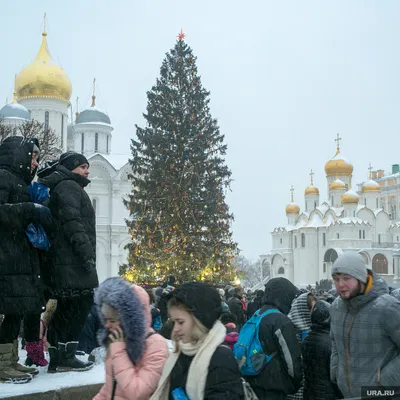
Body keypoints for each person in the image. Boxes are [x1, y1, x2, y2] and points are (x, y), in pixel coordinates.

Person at [0, 137, 55, 383]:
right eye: (32, 156)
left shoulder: (19, 182)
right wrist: (30, 209)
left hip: (18, 257)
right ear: (18, 155)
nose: (34, 163)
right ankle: (2, 365)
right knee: (11, 312)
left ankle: (10, 361)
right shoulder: (3, 176)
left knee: (16, 312)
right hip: (7, 258)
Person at [38, 151, 98, 373]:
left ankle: (60, 357)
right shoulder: (69, 187)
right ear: (71, 167)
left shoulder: (64, 186)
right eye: (82, 166)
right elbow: (73, 222)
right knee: (79, 305)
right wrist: (86, 253)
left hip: (65, 261)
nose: (87, 171)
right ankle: (65, 356)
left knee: (68, 307)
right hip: (72, 261)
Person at [151, 282, 244, 399]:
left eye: (180, 322)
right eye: (173, 322)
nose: (175, 330)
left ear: (199, 321)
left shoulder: (221, 359)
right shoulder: (182, 350)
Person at [330, 252, 400, 398]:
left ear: (361, 278)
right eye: (336, 279)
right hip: (349, 394)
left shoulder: (387, 307)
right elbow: (335, 342)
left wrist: (386, 380)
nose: (340, 284)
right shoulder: (336, 307)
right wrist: (336, 370)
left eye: (346, 278)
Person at [93, 278, 169, 400]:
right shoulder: (118, 340)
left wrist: (119, 351)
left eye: (112, 320)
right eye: (105, 319)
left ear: (130, 321)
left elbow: (136, 393)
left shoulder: (156, 345)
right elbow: (110, 388)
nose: (106, 325)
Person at [246, 278, 303, 400]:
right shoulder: (280, 320)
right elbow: (291, 361)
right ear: (285, 297)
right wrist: (296, 383)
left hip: (252, 382)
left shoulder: (258, 315)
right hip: (272, 388)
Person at [302, 300, 342, 400]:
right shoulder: (331, 343)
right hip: (328, 395)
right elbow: (336, 377)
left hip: (309, 393)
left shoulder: (307, 339)